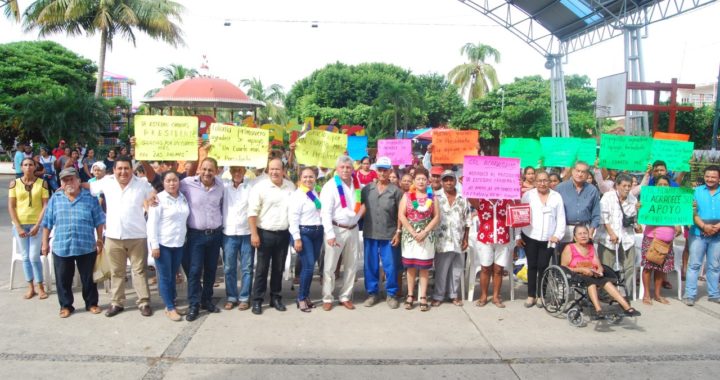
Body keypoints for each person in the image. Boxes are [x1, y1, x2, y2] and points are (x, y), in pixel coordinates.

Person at [89, 156, 154, 318]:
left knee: (139, 270)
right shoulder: (106, 182)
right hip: (113, 236)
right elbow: (88, 187)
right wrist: (69, 185)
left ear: (131, 169)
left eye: (126, 168)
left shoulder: (142, 183)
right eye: (120, 169)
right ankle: (117, 302)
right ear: (114, 170)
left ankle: (144, 302)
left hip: (137, 235)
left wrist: (153, 197)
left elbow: (153, 191)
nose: (123, 172)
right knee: (117, 271)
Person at [41, 168, 105, 318]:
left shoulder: (90, 198)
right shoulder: (55, 199)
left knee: (88, 278)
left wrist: (100, 239)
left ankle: (92, 303)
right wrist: (45, 243)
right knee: (63, 279)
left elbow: (99, 220)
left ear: (78, 181)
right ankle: (66, 305)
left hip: (86, 245)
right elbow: (47, 223)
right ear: (61, 183)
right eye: (65, 180)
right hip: (62, 246)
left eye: (71, 179)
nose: (69, 182)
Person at [561, 225, 641, 318]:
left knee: (606, 281)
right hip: (576, 274)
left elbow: (598, 265)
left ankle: (627, 307)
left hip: (592, 273)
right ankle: (598, 309)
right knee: (591, 282)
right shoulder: (569, 248)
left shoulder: (590, 247)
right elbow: (564, 267)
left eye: (585, 233)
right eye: (580, 234)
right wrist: (581, 269)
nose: (583, 236)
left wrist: (599, 271)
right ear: (575, 237)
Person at [248, 158, 295, 314]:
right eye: (272, 169)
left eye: (278, 169)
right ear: (268, 170)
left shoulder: (290, 187)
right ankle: (257, 300)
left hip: (283, 233)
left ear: (283, 171)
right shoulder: (259, 187)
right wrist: (254, 234)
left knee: (278, 267)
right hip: (264, 233)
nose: (275, 172)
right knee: (261, 268)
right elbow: (252, 213)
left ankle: (276, 297)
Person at [180, 157, 225, 321]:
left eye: (210, 170)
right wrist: (152, 196)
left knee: (211, 270)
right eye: (204, 169)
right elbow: (165, 185)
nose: (207, 172)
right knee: (194, 271)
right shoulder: (187, 183)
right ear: (199, 168)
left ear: (217, 171)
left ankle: (207, 300)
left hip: (215, 235)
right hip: (195, 235)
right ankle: (194, 304)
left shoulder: (221, 186)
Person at [320, 155, 365, 311]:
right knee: (330, 267)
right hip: (336, 229)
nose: (345, 170)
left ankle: (345, 296)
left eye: (348, 167)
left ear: (352, 169)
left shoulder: (357, 185)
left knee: (351, 265)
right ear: (337, 169)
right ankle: (327, 297)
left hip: (352, 229)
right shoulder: (330, 186)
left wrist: (358, 216)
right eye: (342, 167)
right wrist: (330, 234)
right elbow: (325, 213)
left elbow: (359, 208)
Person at [517, 171, 565, 307]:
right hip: (530, 235)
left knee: (543, 266)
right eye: (539, 181)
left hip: (548, 239)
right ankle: (531, 295)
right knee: (532, 265)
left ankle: (541, 295)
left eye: (545, 180)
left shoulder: (556, 197)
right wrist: (517, 236)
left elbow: (561, 218)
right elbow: (519, 215)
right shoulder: (528, 196)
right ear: (535, 182)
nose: (542, 183)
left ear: (549, 182)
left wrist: (557, 235)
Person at [146, 171, 189, 321]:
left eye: (175, 180)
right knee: (165, 277)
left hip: (178, 243)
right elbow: (151, 225)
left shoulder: (183, 198)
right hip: (163, 245)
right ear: (163, 183)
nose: (172, 183)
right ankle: (170, 307)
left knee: (173, 276)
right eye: (168, 181)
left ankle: (171, 303)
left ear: (179, 182)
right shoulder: (158, 200)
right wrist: (155, 246)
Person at [361, 157, 403, 309]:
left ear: (390, 171)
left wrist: (398, 232)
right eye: (380, 170)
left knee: (390, 265)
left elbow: (401, 213)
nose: (382, 173)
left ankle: (391, 294)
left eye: (385, 170)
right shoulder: (367, 189)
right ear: (376, 171)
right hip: (370, 233)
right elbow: (360, 208)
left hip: (389, 234)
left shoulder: (396, 191)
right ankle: (372, 293)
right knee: (370, 265)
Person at [399, 167, 441, 312]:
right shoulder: (407, 196)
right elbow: (402, 215)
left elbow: (436, 216)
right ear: (414, 181)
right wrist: (412, 231)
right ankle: (410, 295)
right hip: (410, 236)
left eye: (424, 179)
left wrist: (425, 231)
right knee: (410, 267)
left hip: (426, 236)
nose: (421, 181)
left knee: (424, 267)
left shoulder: (432, 196)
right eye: (418, 179)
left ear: (427, 181)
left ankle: (423, 296)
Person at [8, 157, 50, 300]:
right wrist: (18, 226)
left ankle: (40, 286)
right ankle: (30, 286)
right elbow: (11, 206)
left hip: (36, 225)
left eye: (31, 164)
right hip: (20, 225)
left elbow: (45, 205)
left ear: (35, 166)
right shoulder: (14, 184)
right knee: (25, 257)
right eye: (25, 165)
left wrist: (38, 225)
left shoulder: (42, 183)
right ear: (21, 167)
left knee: (33, 256)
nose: (28, 167)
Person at [639, 175, 681, 305]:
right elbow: (642, 216)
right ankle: (646, 294)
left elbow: (679, 218)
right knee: (648, 267)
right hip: (651, 238)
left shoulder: (674, 201)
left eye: (665, 185)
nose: (663, 187)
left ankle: (657, 294)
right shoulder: (649, 199)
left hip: (667, 241)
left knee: (660, 268)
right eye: (660, 184)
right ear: (655, 186)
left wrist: (679, 225)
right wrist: (639, 207)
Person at [432, 170, 470, 307]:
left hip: (458, 239)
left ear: (455, 181)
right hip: (442, 240)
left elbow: (467, 220)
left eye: (451, 180)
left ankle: (453, 295)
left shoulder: (462, 198)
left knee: (457, 269)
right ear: (442, 182)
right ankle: (438, 295)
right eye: (446, 180)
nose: (449, 182)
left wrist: (465, 238)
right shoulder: (435, 197)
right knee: (441, 270)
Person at [684, 165, 720, 306]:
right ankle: (690, 294)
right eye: (707, 176)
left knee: (714, 266)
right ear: (704, 177)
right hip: (698, 233)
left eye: (713, 177)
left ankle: (714, 294)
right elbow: (691, 212)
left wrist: (717, 227)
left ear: (719, 178)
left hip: (717, 235)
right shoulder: (695, 192)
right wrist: (704, 226)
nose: (710, 179)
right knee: (694, 265)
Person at [289, 167, 323, 312]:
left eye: (311, 177)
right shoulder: (297, 195)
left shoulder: (314, 193)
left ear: (315, 178)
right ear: (300, 179)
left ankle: (306, 296)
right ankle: (301, 298)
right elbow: (293, 218)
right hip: (304, 233)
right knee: (308, 267)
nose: (308, 179)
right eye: (305, 177)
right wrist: (297, 238)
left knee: (310, 267)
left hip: (317, 232)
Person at [471, 197, 514, 308]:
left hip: (503, 238)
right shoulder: (481, 200)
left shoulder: (506, 200)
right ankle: (483, 296)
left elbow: (516, 208)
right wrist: (466, 184)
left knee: (499, 269)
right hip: (485, 238)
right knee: (485, 268)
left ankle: (496, 297)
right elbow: (471, 198)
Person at [595, 174, 638, 286]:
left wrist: (637, 214)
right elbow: (604, 217)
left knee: (629, 267)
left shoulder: (633, 199)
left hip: (627, 238)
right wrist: (611, 233)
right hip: (608, 239)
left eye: (629, 186)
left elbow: (631, 220)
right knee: (607, 266)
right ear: (617, 186)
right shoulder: (608, 197)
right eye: (624, 186)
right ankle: (606, 292)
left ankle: (625, 292)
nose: (627, 188)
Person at [222, 166, 255, 311]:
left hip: (247, 233)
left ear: (244, 172)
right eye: (234, 170)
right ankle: (231, 296)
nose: (237, 173)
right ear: (229, 172)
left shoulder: (251, 186)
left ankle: (244, 297)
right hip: (228, 233)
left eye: (239, 170)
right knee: (229, 267)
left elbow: (265, 174)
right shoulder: (223, 186)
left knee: (247, 267)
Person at [556, 161, 601, 250]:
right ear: (572, 171)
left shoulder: (592, 190)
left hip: (585, 230)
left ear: (587, 174)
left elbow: (596, 214)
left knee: (582, 261)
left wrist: (590, 232)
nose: (580, 174)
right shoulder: (560, 188)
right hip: (565, 230)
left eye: (583, 172)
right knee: (564, 260)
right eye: (577, 171)